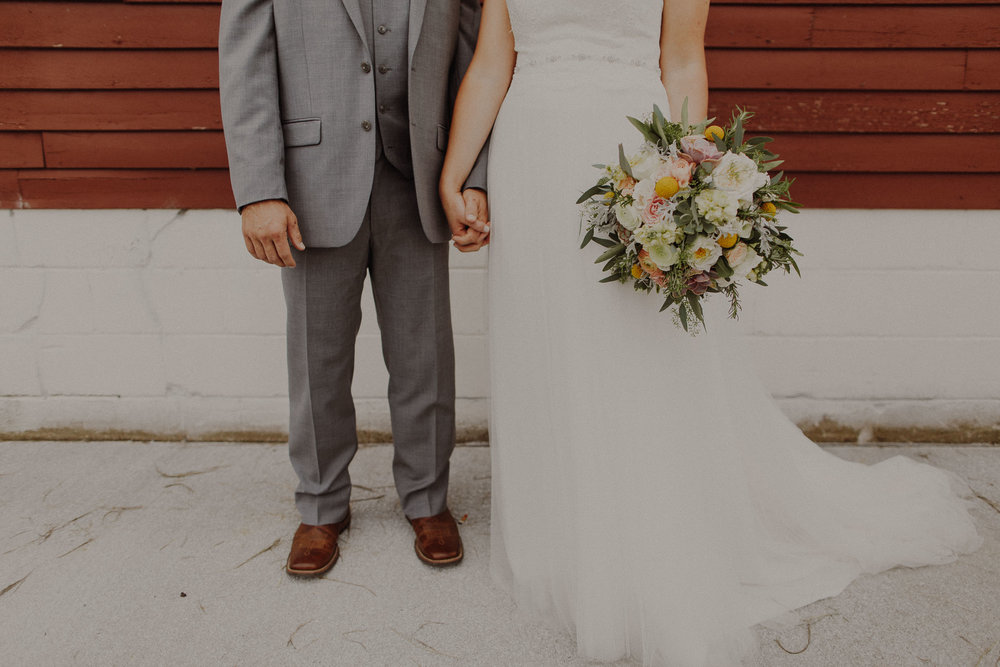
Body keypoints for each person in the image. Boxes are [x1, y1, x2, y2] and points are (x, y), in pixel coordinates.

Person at [439, 0, 982, 664]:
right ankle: (560, 539)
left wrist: (685, 184)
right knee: (544, 347)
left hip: (625, 152)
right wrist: (456, 172)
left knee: (632, 349)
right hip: (530, 157)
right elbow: (494, 61)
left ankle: (647, 538)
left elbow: (682, 58)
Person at [218, 0, 490, 577]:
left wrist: (475, 178)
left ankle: (427, 499)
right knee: (318, 357)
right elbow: (245, 62)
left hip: (419, 176)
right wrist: (259, 189)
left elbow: (476, 59)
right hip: (312, 181)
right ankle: (320, 507)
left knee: (426, 355)